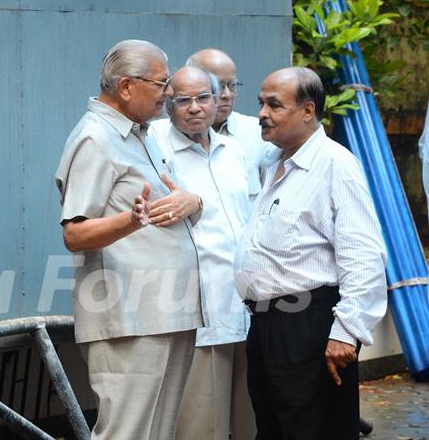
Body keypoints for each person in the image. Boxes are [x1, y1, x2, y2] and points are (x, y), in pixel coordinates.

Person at [54, 40, 204, 440]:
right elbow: (75, 233)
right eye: (162, 83)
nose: (169, 91)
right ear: (125, 86)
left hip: (167, 310)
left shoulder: (142, 134)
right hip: (129, 316)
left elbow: (165, 205)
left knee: (158, 432)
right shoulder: (95, 138)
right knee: (127, 433)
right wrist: (129, 221)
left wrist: (192, 203)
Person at [234, 67, 387, 439]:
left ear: (307, 110)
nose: (262, 114)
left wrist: (346, 333)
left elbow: (363, 255)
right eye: (261, 103)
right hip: (266, 325)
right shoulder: (273, 162)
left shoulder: (335, 165)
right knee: (273, 429)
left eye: (274, 105)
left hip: (311, 328)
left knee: (315, 430)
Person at [149, 65, 255, 440]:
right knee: (201, 427)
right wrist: (193, 203)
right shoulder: (156, 148)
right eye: (183, 100)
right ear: (168, 105)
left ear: (217, 101)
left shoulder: (234, 150)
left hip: (247, 310)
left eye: (203, 97)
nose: (195, 107)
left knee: (249, 424)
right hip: (200, 315)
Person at [188, 48, 270, 201]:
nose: (226, 95)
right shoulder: (162, 135)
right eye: (218, 86)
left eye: (232, 86)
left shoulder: (256, 132)